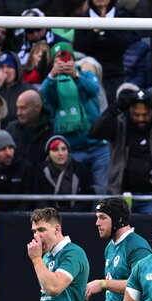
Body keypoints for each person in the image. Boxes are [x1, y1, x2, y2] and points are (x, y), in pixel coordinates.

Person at [90, 88, 152, 211]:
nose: (140, 119)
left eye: (145, 114)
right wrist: (117, 106)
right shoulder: (120, 123)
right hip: (123, 195)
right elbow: (95, 132)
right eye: (136, 115)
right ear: (129, 111)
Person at [41, 42, 110, 196]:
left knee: (102, 193)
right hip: (72, 149)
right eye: (58, 58)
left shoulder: (86, 75)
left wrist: (76, 76)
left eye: (66, 57)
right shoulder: (51, 83)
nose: (63, 61)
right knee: (76, 191)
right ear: (53, 62)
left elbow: (93, 90)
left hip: (97, 146)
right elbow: (47, 96)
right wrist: (52, 76)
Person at [34, 135, 94, 212]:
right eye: (55, 150)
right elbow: (38, 197)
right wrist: (51, 214)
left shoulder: (81, 169)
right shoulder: (41, 170)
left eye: (63, 149)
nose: (60, 153)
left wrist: (71, 214)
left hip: (75, 216)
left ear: (68, 151)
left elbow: (87, 198)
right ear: (48, 153)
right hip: (49, 218)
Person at [5, 89, 54, 168]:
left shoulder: (54, 129)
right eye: (17, 108)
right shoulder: (11, 129)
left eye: (23, 108)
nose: (18, 113)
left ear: (37, 107)